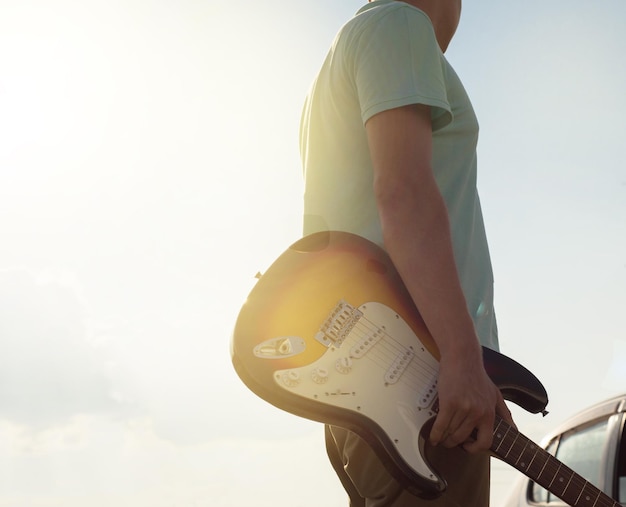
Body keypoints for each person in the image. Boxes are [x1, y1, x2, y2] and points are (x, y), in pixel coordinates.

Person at [299, 0, 515, 505]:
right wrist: (462, 358)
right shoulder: (400, 24)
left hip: (384, 379)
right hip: (428, 383)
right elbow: (403, 193)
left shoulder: (350, 46)